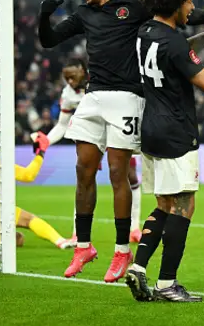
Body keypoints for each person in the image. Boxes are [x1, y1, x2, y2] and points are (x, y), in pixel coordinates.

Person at [37, 0, 204, 282]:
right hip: (94, 96)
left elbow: (182, 13)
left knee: (117, 172)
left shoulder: (133, 6)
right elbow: (49, 40)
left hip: (128, 97)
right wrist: (45, 16)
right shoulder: (84, 14)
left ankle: (121, 251)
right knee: (83, 168)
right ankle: (83, 246)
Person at [124, 0, 204, 302]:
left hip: (150, 129)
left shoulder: (145, 32)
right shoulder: (173, 42)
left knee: (163, 203)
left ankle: (138, 267)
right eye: (189, 1)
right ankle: (168, 283)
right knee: (184, 204)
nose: (193, 6)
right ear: (175, 2)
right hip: (176, 130)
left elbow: (176, 52)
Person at [38, 59, 144, 243]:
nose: (70, 82)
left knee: (131, 176)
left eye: (72, 77)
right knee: (84, 179)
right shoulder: (69, 94)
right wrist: (45, 141)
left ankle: (134, 229)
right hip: (91, 137)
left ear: (83, 69)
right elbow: (62, 125)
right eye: (66, 78)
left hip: (115, 130)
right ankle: (78, 233)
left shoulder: (101, 78)